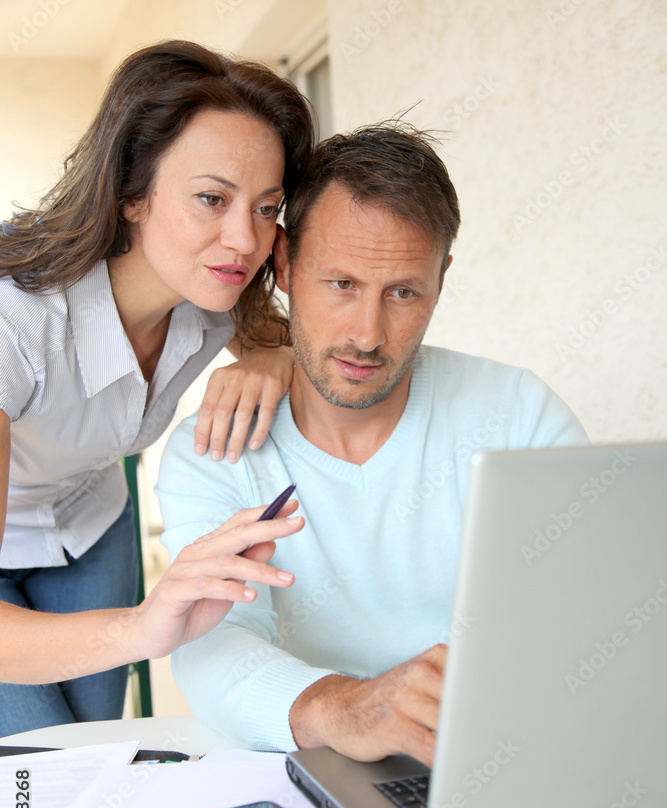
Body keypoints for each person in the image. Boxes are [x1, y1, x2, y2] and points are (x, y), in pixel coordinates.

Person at [157, 124, 589, 768]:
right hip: (316, 763)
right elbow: (212, 643)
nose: (367, 334)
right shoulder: (214, 451)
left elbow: (581, 613)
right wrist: (343, 707)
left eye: (403, 293)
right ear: (284, 265)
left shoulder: (518, 416)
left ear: (440, 279)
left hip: (499, 757)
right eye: (341, 285)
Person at [0, 39, 315, 737]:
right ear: (131, 195)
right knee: (33, 778)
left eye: (267, 207)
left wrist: (271, 359)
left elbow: (280, 334)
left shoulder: (215, 287)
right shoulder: (14, 328)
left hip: (90, 523)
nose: (244, 239)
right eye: (211, 198)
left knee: (95, 749)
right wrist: (146, 626)